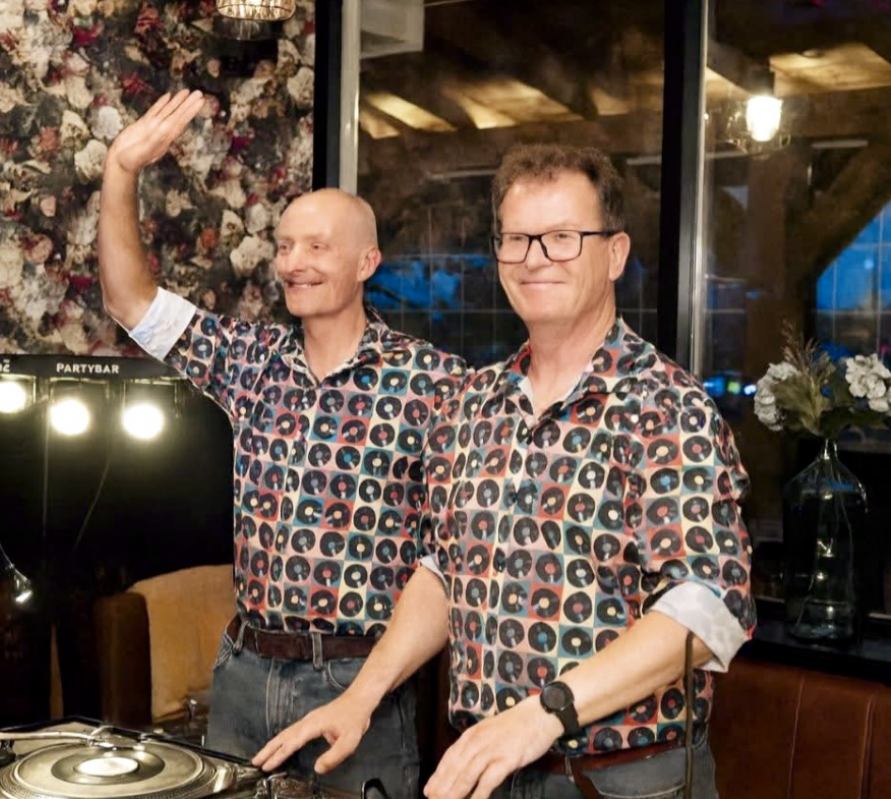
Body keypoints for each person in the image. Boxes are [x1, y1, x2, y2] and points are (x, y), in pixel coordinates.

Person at [253, 143, 756, 799]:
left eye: (563, 238)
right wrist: (361, 695)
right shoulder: (473, 403)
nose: (535, 258)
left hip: (622, 779)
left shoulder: (667, 406)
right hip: (489, 772)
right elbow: (443, 570)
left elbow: (708, 606)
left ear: (614, 254)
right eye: (517, 239)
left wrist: (543, 715)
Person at [97, 89, 468, 798]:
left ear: (367, 261)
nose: (294, 262)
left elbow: (453, 556)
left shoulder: (432, 382)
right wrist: (121, 170)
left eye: (317, 247)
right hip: (244, 671)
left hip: (359, 680)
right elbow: (129, 302)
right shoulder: (252, 360)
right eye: (285, 245)